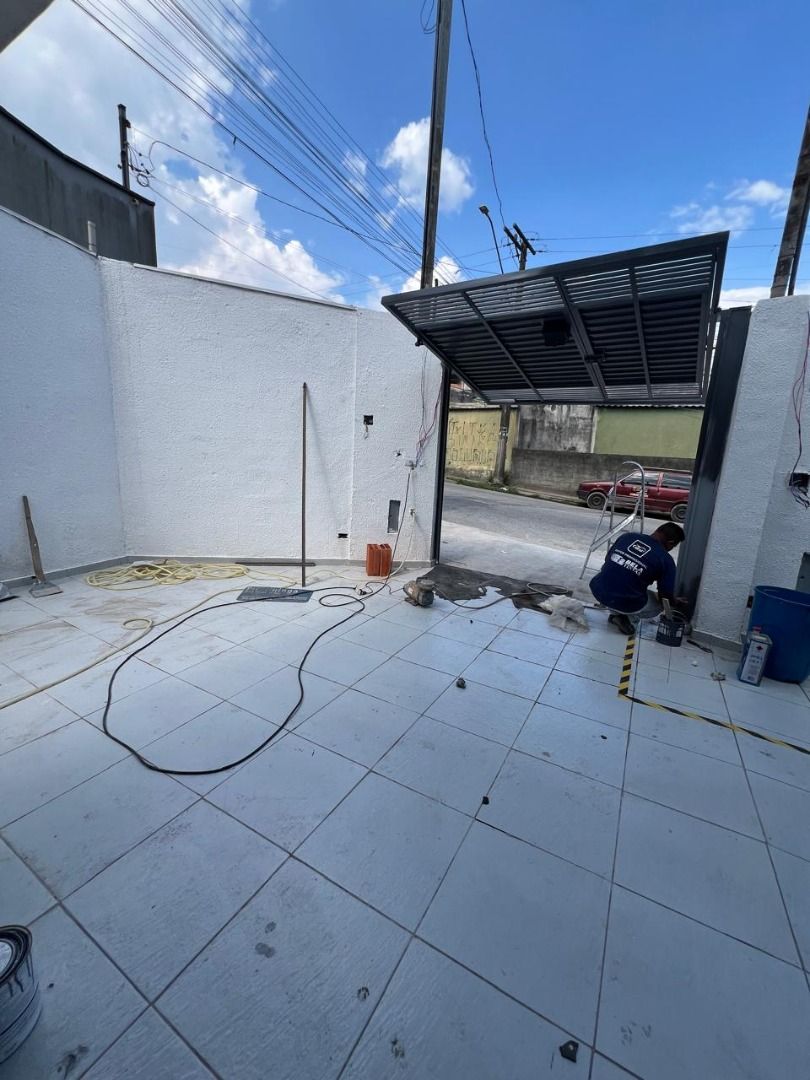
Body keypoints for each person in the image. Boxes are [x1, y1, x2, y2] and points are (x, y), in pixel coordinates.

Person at [589, 522, 685, 635]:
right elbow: (665, 597)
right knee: (659, 604)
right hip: (622, 600)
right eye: (673, 546)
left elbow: (608, 559)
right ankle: (629, 620)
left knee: (619, 581)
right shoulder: (666, 560)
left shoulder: (627, 537)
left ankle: (615, 614)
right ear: (671, 543)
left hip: (598, 589)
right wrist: (675, 602)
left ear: (657, 531)